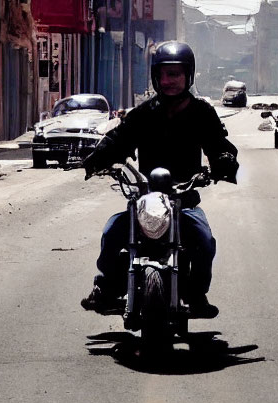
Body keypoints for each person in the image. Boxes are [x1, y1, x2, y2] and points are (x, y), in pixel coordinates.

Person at [80, 41, 239, 318]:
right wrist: (99, 157)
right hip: (145, 200)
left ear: (188, 76)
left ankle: (197, 294)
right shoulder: (144, 113)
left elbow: (218, 143)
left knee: (205, 240)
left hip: (183, 199)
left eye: (175, 74)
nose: (168, 81)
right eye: (163, 75)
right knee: (111, 232)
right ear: (155, 77)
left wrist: (224, 161)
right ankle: (106, 287)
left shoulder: (202, 113)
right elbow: (119, 138)